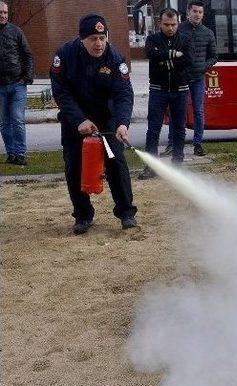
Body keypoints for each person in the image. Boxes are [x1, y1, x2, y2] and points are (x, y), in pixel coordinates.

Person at [50, 14, 137, 235]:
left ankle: (126, 213)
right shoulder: (65, 55)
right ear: (82, 39)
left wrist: (122, 123)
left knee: (116, 163)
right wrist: (79, 120)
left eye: (102, 37)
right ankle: (82, 215)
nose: (99, 43)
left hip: (106, 117)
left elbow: (124, 94)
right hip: (74, 120)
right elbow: (61, 92)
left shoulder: (115, 58)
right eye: (93, 39)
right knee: (74, 166)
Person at [138, 7, 192, 179]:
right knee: (153, 129)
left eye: (173, 24)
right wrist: (172, 54)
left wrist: (165, 61)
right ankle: (151, 166)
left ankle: (177, 164)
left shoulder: (185, 39)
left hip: (180, 91)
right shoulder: (152, 39)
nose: (170, 28)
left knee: (179, 129)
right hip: (158, 91)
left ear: (178, 23)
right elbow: (150, 54)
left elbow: (188, 59)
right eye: (166, 24)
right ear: (159, 23)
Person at [162, 0, 216, 158]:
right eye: (195, 11)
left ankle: (198, 144)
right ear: (188, 12)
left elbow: (214, 56)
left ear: (203, 14)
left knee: (198, 111)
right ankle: (173, 144)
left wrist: (204, 67)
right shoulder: (178, 29)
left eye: (200, 12)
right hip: (180, 78)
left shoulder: (208, 33)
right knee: (176, 111)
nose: (197, 14)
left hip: (198, 78)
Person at [0, 0, 34, 166]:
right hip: (0, 87)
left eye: (5, 13)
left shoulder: (16, 31)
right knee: (4, 123)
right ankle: (11, 154)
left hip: (17, 84)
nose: (3, 15)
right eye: (0, 13)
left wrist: (27, 78)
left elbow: (28, 55)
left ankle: (20, 154)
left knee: (17, 120)